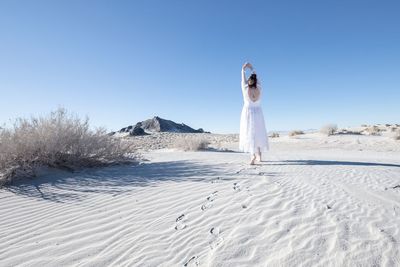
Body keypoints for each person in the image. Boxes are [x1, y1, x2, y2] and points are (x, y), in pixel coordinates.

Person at [239, 62, 269, 165]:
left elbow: (243, 80)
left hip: (248, 113)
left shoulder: (245, 88)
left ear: (248, 82)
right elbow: (258, 80)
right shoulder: (259, 88)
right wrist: (252, 69)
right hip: (258, 113)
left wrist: (243, 69)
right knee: (258, 134)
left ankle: (253, 155)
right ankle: (259, 154)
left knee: (249, 134)